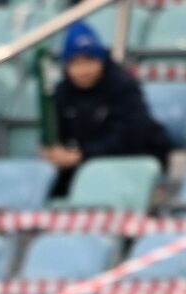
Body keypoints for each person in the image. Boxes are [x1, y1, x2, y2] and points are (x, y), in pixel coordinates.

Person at [45, 22, 171, 195]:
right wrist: (56, 152)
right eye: (76, 63)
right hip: (85, 166)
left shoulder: (123, 86)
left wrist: (82, 155)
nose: (83, 70)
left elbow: (130, 136)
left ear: (101, 59)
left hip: (130, 161)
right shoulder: (62, 92)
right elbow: (60, 134)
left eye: (89, 61)